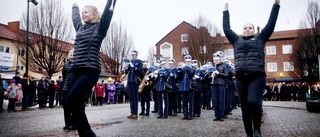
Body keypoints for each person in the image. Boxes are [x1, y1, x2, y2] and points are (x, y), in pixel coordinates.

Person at [223, 0, 280, 136]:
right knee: (244, 107)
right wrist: (225, 12)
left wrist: (276, 6)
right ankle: (249, 133)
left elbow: (270, 24)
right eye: (245, 28)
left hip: (257, 76)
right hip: (241, 78)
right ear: (242, 31)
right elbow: (226, 28)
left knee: (253, 102)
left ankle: (257, 128)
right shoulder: (236, 40)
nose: (247, 29)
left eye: (250, 28)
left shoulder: (260, 39)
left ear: (254, 31)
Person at [64, 1, 116, 136]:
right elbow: (75, 19)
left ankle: (88, 132)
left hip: (90, 70)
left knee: (69, 101)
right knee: (77, 105)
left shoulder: (100, 28)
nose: (82, 15)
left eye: (85, 12)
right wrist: (74, 7)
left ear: (94, 15)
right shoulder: (80, 29)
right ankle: (85, 133)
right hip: (76, 69)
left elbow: (107, 13)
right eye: (82, 13)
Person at [125, 50, 143, 120]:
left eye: (134, 55)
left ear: (136, 55)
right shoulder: (130, 62)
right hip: (130, 80)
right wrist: (126, 67)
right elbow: (127, 72)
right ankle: (132, 112)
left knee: (135, 98)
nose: (133, 56)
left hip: (135, 81)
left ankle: (135, 113)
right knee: (131, 97)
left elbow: (140, 71)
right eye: (132, 55)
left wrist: (134, 67)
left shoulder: (139, 62)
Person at [211, 52, 228, 121]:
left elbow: (226, 75)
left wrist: (219, 73)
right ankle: (216, 116)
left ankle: (221, 115)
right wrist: (211, 75)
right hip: (214, 84)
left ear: (220, 60)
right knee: (215, 101)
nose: (216, 61)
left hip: (221, 84)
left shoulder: (223, 66)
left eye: (217, 60)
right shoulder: (213, 67)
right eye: (215, 60)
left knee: (221, 100)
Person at [62, 48, 76, 131]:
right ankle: (68, 123)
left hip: (74, 87)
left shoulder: (77, 63)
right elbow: (64, 76)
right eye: (69, 52)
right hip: (66, 88)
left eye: (72, 52)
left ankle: (74, 124)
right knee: (66, 106)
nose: (71, 53)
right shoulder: (65, 64)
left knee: (74, 106)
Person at [178, 55, 195, 120]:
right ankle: (185, 114)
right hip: (183, 86)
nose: (188, 62)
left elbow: (192, 73)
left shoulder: (192, 68)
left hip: (189, 86)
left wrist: (186, 67)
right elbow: (179, 77)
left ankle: (190, 114)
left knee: (190, 102)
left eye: (189, 61)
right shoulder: (183, 68)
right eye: (186, 61)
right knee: (184, 102)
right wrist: (179, 70)